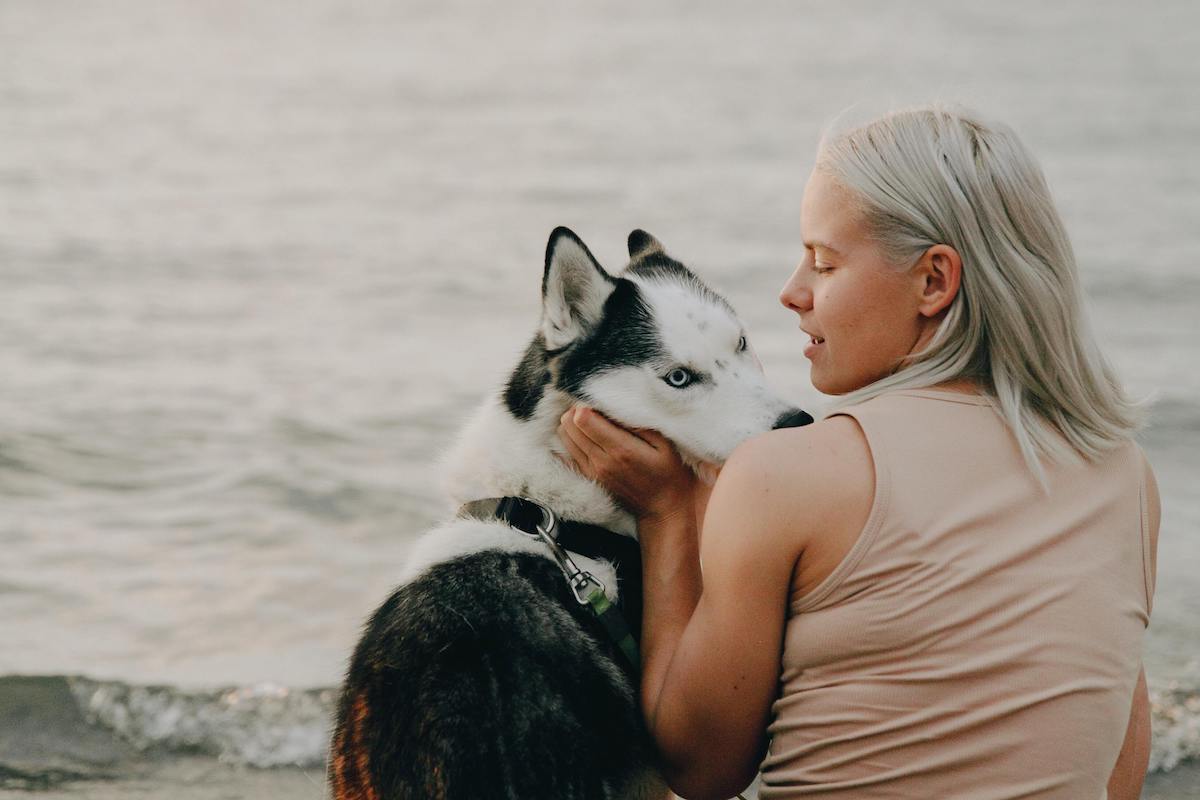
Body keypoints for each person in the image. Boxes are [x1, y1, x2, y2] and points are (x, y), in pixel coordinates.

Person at [556, 105, 1159, 800]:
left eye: (823, 261)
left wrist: (666, 512)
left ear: (934, 282)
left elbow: (698, 767)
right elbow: (1118, 769)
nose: (792, 293)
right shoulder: (1126, 476)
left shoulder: (788, 475)